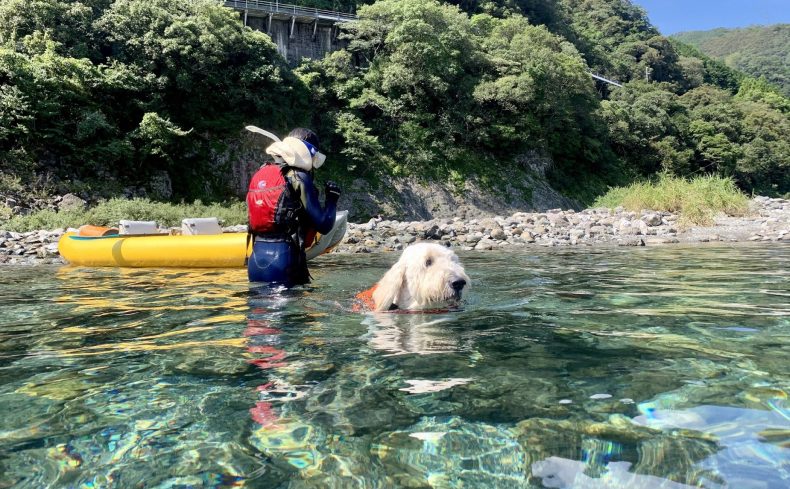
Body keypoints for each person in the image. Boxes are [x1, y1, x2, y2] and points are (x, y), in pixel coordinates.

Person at [246, 128, 341, 285]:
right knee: (293, 309)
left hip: (255, 260)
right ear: (308, 153)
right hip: (284, 259)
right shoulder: (299, 177)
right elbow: (324, 225)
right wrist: (332, 199)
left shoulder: (261, 172)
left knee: (258, 307)